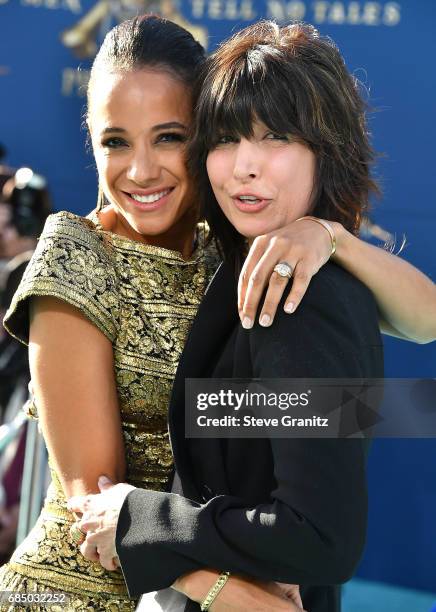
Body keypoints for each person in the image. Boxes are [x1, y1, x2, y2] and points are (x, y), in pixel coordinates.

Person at [1, 14, 435, 612]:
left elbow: (421, 326)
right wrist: (241, 592)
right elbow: (97, 510)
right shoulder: (77, 256)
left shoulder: (246, 250)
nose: (141, 170)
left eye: (170, 136)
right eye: (115, 141)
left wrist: (329, 237)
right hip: (87, 589)